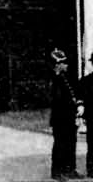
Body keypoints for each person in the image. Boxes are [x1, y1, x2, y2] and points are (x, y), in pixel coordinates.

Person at [50, 48, 80, 179]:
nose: (67, 65)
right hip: (60, 118)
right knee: (60, 145)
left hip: (69, 116)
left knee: (71, 143)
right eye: (64, 63)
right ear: (58, 65)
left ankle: (70, 169)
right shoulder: (55, 80)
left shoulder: (66, 78)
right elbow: (58, 100)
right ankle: (56, 172)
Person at [78, 51, 93, 178]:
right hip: (92, 117)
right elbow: (80, 98)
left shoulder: (86, 81)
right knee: (92, 144)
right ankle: (91, 169)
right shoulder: (86, 81)